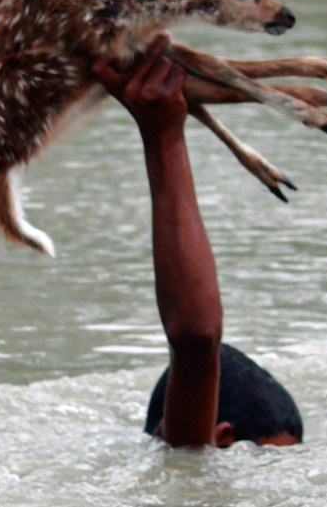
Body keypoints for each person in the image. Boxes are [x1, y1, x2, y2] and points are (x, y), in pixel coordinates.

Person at [92, 34, 303, 448]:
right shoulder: (191, 457)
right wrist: (163, 136)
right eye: (271, 462)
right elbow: (196, 339)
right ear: (221, 438)